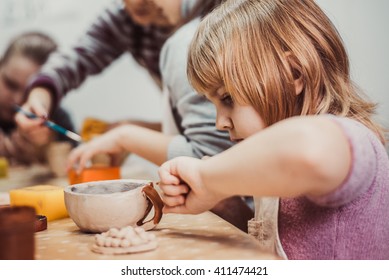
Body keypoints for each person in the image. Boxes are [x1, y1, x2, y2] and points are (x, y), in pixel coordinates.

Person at [158, 0, 389, 260]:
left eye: (227, 99)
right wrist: (227, 204)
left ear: (293, 73)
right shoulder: (277, 171)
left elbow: (310, 152)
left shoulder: (355, 140)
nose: (220, 122)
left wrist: (206, 178)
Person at [64, 0, 253, 232]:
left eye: (227, 99)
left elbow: (211, 155)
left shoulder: (185, 43)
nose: (132, 3)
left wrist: (126, 136)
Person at [0, 32, 74, 165]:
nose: (17, 100)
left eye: (29, 91)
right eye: (10, 85)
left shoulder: (57, 121)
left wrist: (45, 150)